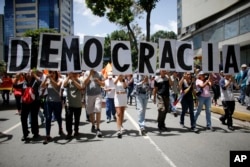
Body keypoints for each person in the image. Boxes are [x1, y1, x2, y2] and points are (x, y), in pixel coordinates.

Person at [13, 70, 41, 142]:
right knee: (23, 118)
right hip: (25, 103)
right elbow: (14, 85)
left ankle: (35, 132)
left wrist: (34, 75)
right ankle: (25, 134)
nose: (28, 74)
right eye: (27, 73)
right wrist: (17, 77)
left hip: (34, 102)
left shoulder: (35, 82)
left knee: (34, 117)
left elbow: (41, 82)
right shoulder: (23, 83)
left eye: (30, 73)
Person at [41, 71, 64, 144]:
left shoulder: (59, 80)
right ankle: (47, 135)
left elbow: (57, 86)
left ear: (56, 74)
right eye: (50, 72)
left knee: (58, 117)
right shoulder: (48, 81)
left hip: (57, 102)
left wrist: (50, 79)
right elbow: (42, 86)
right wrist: (46, 79)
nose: (52, 74)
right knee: (48, 117)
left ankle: (60, 127)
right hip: (48, 102)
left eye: (53, 73)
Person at [83, 69, 104, 138]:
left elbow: (103, 84)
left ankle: (98, 128)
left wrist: (98, 81)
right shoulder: (86, 73)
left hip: (98, 94)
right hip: (89, 95)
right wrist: (90, 75)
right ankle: (93, 125)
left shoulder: (100, 73)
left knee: (98, 110)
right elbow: (84, 83)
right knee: (91, 112)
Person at [63, 72, 84, 139]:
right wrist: (69, 77)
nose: (74, 75)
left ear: (78, 74)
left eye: (76, 74)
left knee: (77, 119)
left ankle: (76, 131)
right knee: (68, 119)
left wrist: (73, 80)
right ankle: (69, 132)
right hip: (69, 103)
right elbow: (64, 84)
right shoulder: (68, 80)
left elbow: (80, 88)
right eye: (73, 73)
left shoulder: (80, 80)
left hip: (78, 103)